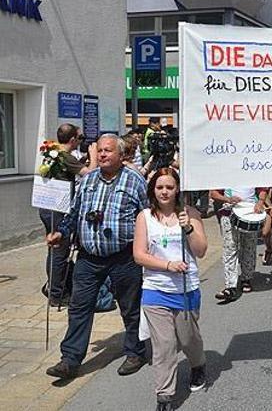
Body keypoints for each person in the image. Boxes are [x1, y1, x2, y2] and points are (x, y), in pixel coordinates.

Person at [45, 134, 149, 379]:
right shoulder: (89, 179)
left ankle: (135, 351)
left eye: (108, 151)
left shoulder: (135, 180)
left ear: (121, 155)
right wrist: (61, 232)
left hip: (124, 257)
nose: (102, 155)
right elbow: (74, 213)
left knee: (130, 307)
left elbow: (146, 217)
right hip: (88, 257)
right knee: (79, 308)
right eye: (100, 150)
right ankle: (69, 360)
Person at [133, 168, 207, 411]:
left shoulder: (191, 214)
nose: (164, 192)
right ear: (153, 190)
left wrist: (188, 229)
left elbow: (201, 251)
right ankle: (164, 397)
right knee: (163, 346)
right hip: (155, 289)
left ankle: (198, 364)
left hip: (186, 289)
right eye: (159, 187)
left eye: (170, 187)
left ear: (178, 190)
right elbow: (139, 255)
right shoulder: (145, 216)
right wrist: (167, 265)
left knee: (188, 339)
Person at [39, 124, 98, 307]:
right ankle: (56, 295)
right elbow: (89, 175)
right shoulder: (65, 156)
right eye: (79, 138)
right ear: (72, 139)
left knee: (54, 250)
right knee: (60, 251)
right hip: (58, 208)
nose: (80, 142)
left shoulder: (52, 152)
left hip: (48, 206)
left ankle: (55, 287)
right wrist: (94, 157)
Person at [209, 187, 267, 301]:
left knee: (249, 247)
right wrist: (227, 199)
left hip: (251, 211)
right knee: (230, 248)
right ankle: (230, 286)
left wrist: (260, 202)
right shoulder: (224, 172)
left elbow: (262, 189)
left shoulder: (252, 170)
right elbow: (213, 193)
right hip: (229, 212)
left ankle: (247, 278)